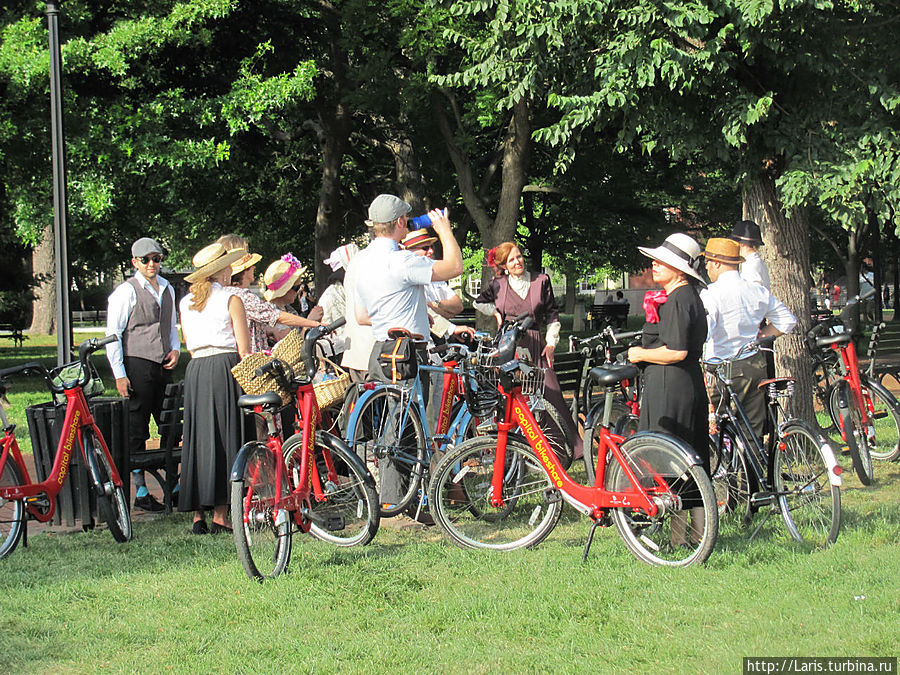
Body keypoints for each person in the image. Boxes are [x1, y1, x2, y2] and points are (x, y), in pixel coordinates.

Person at [353, 194, 463, 507]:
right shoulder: (401, 260)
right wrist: (443, 229)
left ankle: (401, 499)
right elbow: (454, 266)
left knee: (395, 425)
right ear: (401, 222)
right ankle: (399, 501)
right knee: (412, 428)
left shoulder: (362, 262)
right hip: (408, 351)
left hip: (381, 349)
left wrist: (402, 307)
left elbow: (362, 316)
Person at [626, 233, 709, 547]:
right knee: (690, 459)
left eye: (662, 261)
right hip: (685, 384)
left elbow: (676, 351)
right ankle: (695, 536)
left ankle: (681, 540)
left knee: (671, 461)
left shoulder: (678, 299)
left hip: (672, 387)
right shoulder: (687, 297)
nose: (654, 264)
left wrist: (640, 354)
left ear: (679, 269)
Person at [474, 241, 581, 459]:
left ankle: (564, 448)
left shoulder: (541, 280)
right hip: (508, 345)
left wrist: (551, 343)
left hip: (534, 342)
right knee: (511, 396)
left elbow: (552, 314)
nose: (517, 262)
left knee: (549, 392)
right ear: (504, 265)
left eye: (519, 257)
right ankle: (516, 450)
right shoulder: (498, 284)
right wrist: (495, 312)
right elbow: (478, 302)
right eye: (511, 259)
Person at [178, 243, 250, 534]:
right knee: (225, 435)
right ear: (222, 269)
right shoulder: (232, 299)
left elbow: (188, 344)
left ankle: (198, 513)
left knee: (199, 437)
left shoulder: (186, 303)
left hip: (196, 369)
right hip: (224, 367)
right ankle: (222, 513)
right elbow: (244, 348)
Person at [105, 237, 180, 513]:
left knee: (169, 424)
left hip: (162, 366)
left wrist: (175, 349)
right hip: (136, 364)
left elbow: (170, 326)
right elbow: (113, 335)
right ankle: (140, 489)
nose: (152, 264)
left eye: (156, 259)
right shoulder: (126, 292)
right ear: (135, 262)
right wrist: (119, 374)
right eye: (146, 259)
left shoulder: (168, 289)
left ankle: (173, 484)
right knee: (136, 428)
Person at [701, 237, 797, 441]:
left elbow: (705, 332)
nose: (707, 267)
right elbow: (787, 320)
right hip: (754, 362)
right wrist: (761, 335)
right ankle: (753, 471)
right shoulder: (756, 290)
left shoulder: (711, 293)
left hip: (720, 367)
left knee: (714, 426)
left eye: (708, 261)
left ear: (717, 263)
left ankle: (725, 468)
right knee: (752, 428)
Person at [215, 234, 321, 353]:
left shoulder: (221, 293)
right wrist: (313, 323)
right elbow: (275, 315)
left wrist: (266, 330)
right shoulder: (241, 296)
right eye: (250, 264)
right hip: (248, 362)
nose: (254, 266)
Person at [731, 220, 770, 290]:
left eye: (734, 242)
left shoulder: (752, 264)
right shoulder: (750, 262)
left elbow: (753, 294)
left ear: (742, 243)